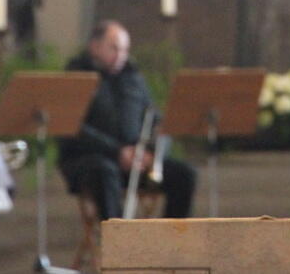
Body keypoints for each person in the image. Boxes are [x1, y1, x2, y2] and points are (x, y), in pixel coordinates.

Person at [57, 20, 196, 220]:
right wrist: (117, 152)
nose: (120, 56)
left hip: (137, 161)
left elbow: (157, 121)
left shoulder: (133, 78)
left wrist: (152, 153)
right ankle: (118, 242)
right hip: (92, 160)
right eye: (114, 48)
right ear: (94, 47)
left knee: (185, 175)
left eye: (124, 50)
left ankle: (173, 243)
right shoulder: (76, 76)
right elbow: (73, 127)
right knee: (105, 172)